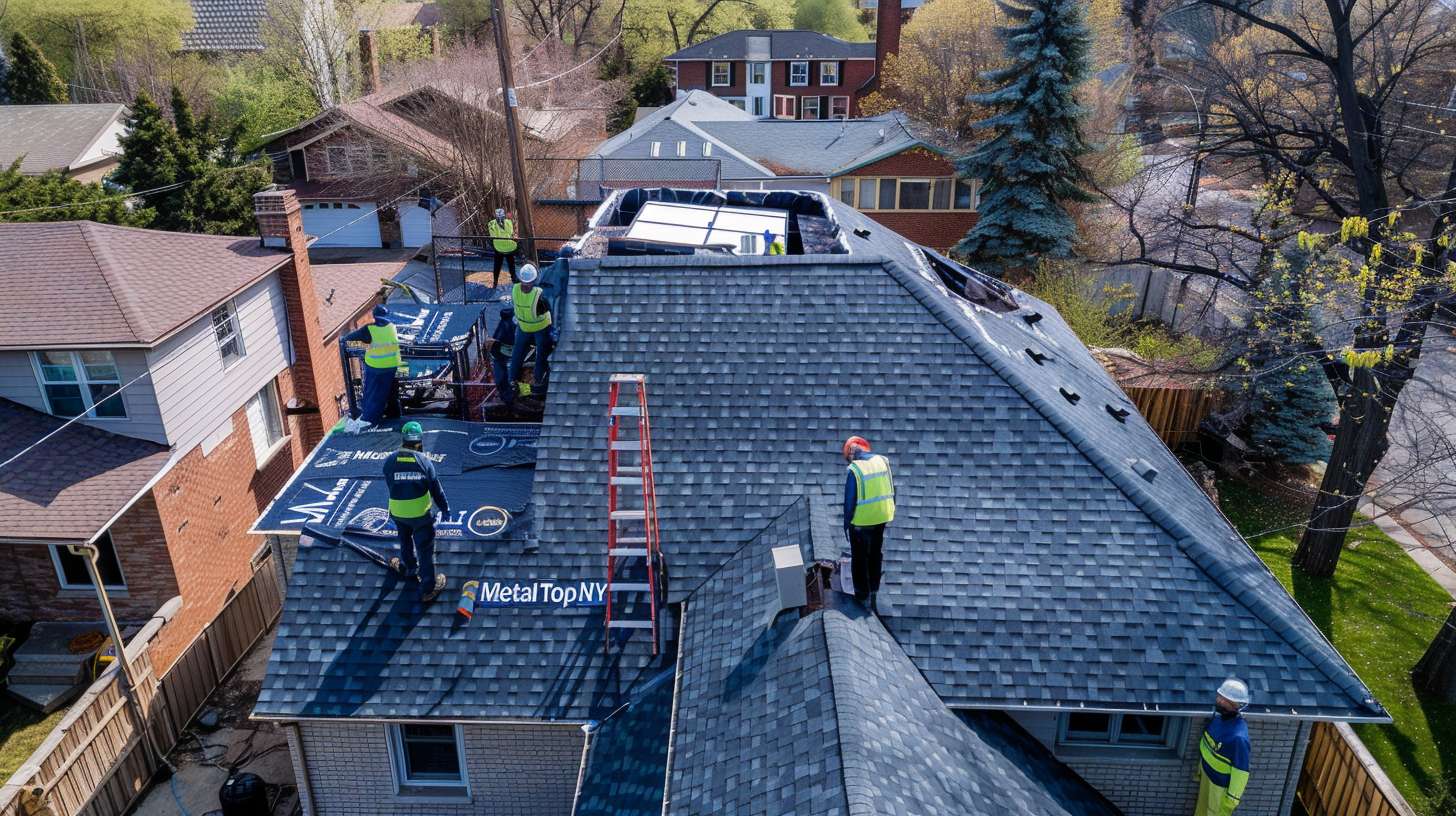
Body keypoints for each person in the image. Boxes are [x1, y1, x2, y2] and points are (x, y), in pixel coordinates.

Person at [385, 421, 450, 601]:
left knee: (405, 541)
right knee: (425, 549)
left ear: (403, 439)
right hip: (420, 516)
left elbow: (391, 484)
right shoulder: (424, 462)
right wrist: (445, 509)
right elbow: (436, 490)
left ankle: (410, 568)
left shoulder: (390, 461)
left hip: (398, 513)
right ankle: (428, 589)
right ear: (420, 440)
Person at [842, 436, 894, 613]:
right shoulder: (882, 461)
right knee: (875, 553)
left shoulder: (855, 469)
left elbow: (850, 501)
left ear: (851, 452)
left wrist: (847, 524)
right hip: (881, 516)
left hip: (862, 521)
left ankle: (862, 594)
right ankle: (874, 589)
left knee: (859, 557)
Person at [1197, 678, 1252, 816]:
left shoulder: (1238, 738)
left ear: (1235, 704)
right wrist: (1200, 770)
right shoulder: (1217, 720)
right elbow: (1207, 746)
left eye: (1223, 699)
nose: (1218, 700)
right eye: (1219, 696)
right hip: (1207, 778)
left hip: (1219, 788)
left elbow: (1241, 773)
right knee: (1201, 811)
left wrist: (1230, 802)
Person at [343, 305, 406, 425]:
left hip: (376, 368)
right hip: (393, 366)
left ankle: (371, 421)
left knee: (373, 395)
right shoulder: (392, 327)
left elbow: (347, 339)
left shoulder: (369, 329)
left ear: (375, 317)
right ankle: (394, 416)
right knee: (392, 393)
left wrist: (363, 346)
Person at [504, 263, 553, 405]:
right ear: (533, 280)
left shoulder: (515, 289)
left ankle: (512, 380)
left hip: (523, 328)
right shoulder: (538, 293)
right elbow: (547, 308)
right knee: (541, 355)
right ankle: (537, 381)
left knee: (517, 354)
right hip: (540, 328)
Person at [489, 305, 518, 403]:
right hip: (502, 354)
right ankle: (511, 398)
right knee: (503, 378)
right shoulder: (507, 326)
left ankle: (514, 396)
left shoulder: (505, 325)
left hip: (504, 353)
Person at [488, 208, 519, 287]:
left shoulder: (509, 222)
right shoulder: (491, 224)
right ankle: (496, 281)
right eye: (498, 217)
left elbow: (511, 233)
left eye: (502, 216)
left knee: (510, 263)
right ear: (495, 216)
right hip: (500, 247)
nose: (500, 218)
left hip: (509, 247)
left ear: (504, 216)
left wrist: (515, 236)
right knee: (498, 265)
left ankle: (513, 278)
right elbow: (493, 235)